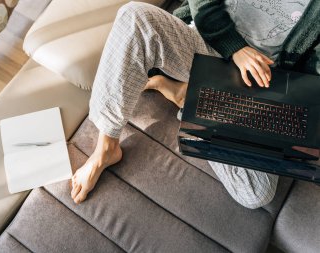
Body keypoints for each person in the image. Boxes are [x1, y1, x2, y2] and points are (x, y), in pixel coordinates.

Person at [70, 0, 320, 207]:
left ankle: (188, 97)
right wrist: (235, 48)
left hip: (257, 83)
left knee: (256, 192)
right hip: (203, 43)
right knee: (134, 15)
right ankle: (106, 149)